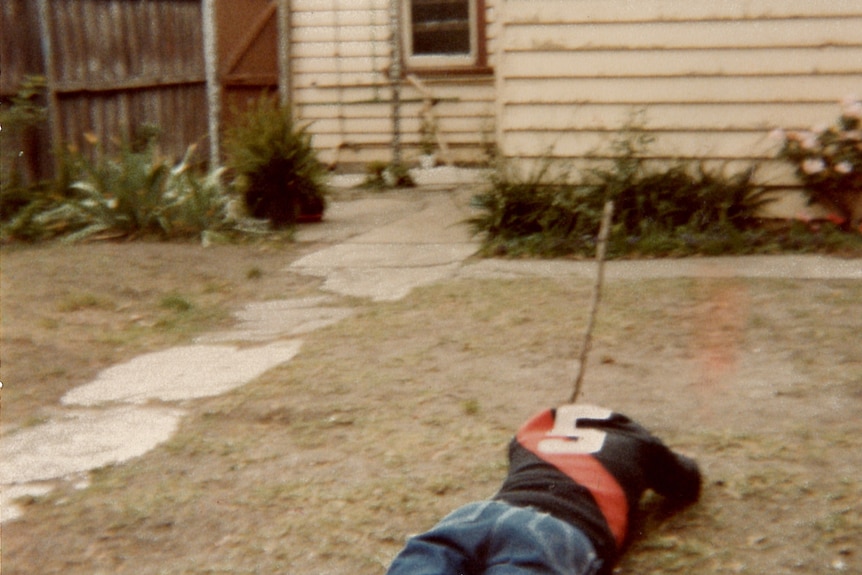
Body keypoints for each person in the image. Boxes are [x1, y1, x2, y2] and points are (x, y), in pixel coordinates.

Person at [385, 404, 702, 575]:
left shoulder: (528, 435)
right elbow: (687, 484)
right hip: (563, 530)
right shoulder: (639, 442)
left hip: (482, 513)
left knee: (430, 556)